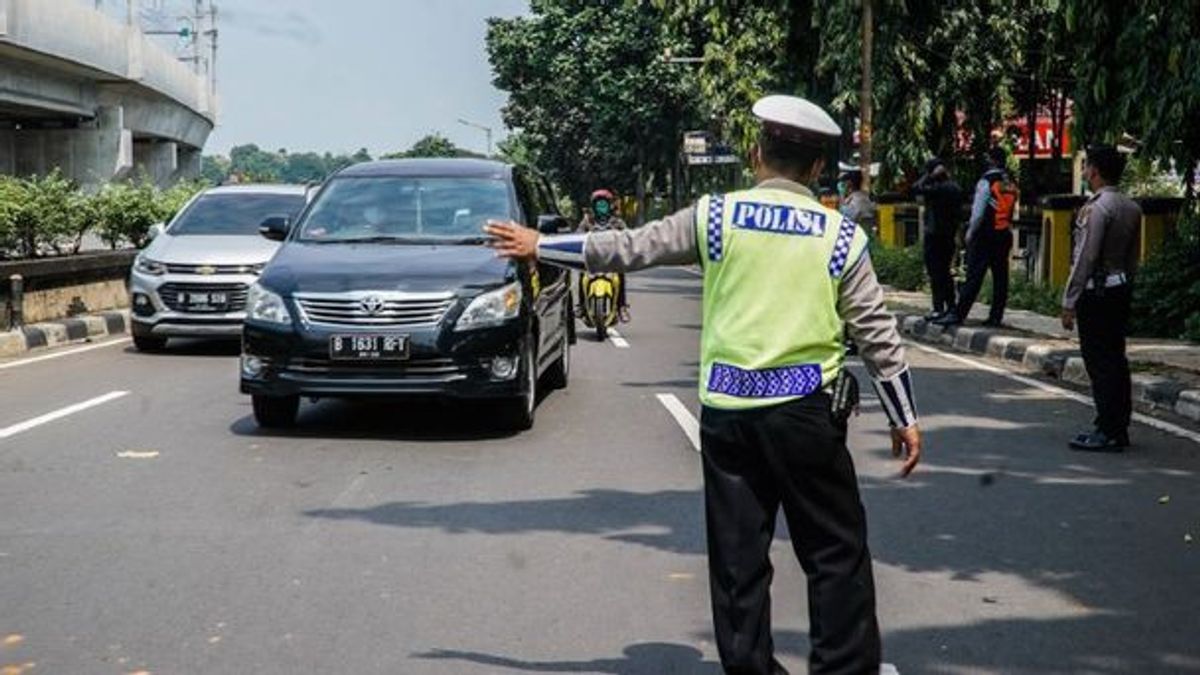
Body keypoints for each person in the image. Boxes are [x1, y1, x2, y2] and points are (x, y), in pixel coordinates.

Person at [486, 94, 922, 675]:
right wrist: (903, 415)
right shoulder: (839, 236)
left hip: (729, 416)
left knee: (739, 563)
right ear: (818, 168)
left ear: (755, 153)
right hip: (805, 417)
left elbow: (630, 248)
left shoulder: (716, 216)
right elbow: (877, 333)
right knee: (835, 554)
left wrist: (541, 244)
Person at [1061, 145, 1142, 452]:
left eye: (1085, 168)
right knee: (1116, 358)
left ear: (1094, 171)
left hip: (1096, 293)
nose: (1084, 173)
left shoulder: (1096, 208)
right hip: (1119, 288)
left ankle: (1107, 429)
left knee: (1099, 362)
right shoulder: (1131, 207)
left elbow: (1085, 256)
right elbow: (1133, 257)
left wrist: (1070, 300)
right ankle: (1115, 424)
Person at [934, 147, 1017, 327]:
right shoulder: (1010, 183)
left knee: (974, 276)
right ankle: (996, 316)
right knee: (1001, 278)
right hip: (1004, 234)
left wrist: (970, 233)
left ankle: (958, 314)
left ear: (992, 161)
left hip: (985, 235)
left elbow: (978, 213)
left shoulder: (986, 181)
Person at [910, 157, 964, 320]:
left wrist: (929, 176)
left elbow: (915, 188)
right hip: (949, 236)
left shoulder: (938, 189)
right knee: (945, 272)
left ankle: (938, 307)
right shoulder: (955, 187)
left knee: (936, 273)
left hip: (935, 236)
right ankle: (951, 305)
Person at [579, 189, 631, 323]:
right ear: (594, 206)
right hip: (592, 259)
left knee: (621, 273)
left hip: (611, 259)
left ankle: (621, 306)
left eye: (604, 204)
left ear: (610, 206)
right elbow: (577, 235)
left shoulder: (617, 222)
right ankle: (582, 306)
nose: (601, 207)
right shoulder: (587, 221)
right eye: (599, 204)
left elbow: (628, 237)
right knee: (581, 273)